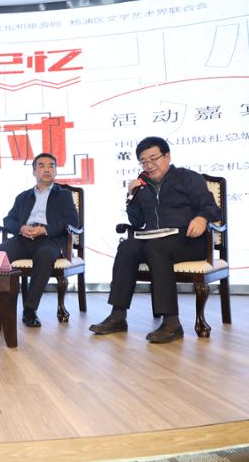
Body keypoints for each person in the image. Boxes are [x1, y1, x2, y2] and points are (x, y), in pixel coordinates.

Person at [89, 136, 220, 343]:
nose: (149, 165)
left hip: (189, 240)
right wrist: (131, 196)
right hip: (155, 240)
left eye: (153, 158)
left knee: (156, 248)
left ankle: (172, 323)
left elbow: (211, 207)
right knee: (127, 247)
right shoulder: (142, 186)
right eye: (144, 161)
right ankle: (117, 316)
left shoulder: (188, 178)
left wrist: (201, 218)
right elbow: (137, 221)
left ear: (167, 156)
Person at [0, 153, 78, 327]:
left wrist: (45, 229)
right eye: (42, 166)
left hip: (49, 240)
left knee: (45, 256)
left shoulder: (64, 195)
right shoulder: (23, 196)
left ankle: (29, 310)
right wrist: (21, 228)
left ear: (55, 171)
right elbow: (8, 220)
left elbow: (72, 221)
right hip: (23, 239)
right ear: (34, 171)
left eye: (51, 166)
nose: (47, 169)